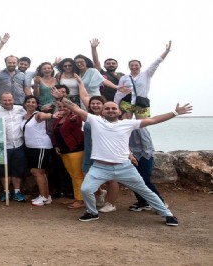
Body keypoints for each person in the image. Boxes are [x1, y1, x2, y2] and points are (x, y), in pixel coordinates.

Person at [58, 97, 189, 226]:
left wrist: (176, 113)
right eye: (107, 108)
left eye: (113, 108)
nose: (110, 110)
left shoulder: (127, 123)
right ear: (102, 112)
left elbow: (153, 120)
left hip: (124, 168)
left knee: (145, 191)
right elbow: (74, 107)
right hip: (99, 167)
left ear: (119, 112)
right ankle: (92, 212)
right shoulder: (95, 121)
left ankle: (167, 214)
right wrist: (61, 98)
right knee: (86, 189)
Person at [114, 41, 173, 211]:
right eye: (131, 65)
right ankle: (144, 201)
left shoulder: (146, 74)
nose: (133, 66)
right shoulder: (124, 78)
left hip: (141, 102)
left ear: (139, 66)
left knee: (141, 125)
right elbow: (119, 91)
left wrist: (166, 52)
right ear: (128, 67)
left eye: (136, 64)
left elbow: (156, 64)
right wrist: (116, 105)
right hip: (126, 103)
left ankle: (155, 202)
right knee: (125, 123)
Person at [74, 76, 119, 213]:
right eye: (93, 104)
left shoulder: (110, 118)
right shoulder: (88, 117)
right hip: (90, 152)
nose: (95, 105)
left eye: (98, 104)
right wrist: (81, 83)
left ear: (104, 105)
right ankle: (100, 193)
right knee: (88, 174)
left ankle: (111, 203)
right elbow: (84, 96)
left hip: (106, 153)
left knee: (111, 178)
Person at [0, 92, 27, 202]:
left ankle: (17, 192)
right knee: (3, 171)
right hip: (3, 146)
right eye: (5, 100)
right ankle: (6, 192)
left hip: (18, 144)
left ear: (13, 99)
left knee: (17, 170)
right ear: (0, 101)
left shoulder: (20, 109)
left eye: (9, 100)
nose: (7, 102)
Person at [51, 101, 85, 209]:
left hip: (75, 150)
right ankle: (77, 197)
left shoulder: (74, 117)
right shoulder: (57, 119)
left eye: (64, 106)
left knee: (77, 175)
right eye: (60, 107)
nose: (62, 108)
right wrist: (56, 145)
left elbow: (77, 125)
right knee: (72, 175)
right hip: (64, 151)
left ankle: (81, 200)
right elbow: (56, 133)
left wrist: (75, 116)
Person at [22, 95, 54, 207]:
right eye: (29, 101)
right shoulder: (24, 116)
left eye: (33, 102)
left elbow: (44, 115)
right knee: (40, 172)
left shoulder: (37, 114)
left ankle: (43, 197)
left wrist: (52, 115)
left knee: (37, 172)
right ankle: (46, 196)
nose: (31, 104)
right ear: (25, 103)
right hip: (31, 148)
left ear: (36, 105)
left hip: (41, 146)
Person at [90, 38, 124, 102]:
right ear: (104, 66)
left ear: (117, 65)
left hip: (120, 101)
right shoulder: (101, 73)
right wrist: (93, 48)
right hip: (104, 100)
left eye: (113, 63)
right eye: (108, 63)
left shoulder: (122, 75)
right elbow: (96, 61)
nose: (111, 65)